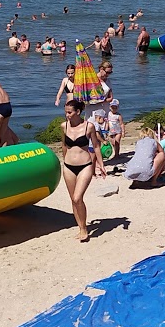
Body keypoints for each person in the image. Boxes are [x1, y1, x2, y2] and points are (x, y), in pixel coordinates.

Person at [59, 100, 103, 241]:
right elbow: (64, 145)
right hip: (68, 167)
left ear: (78, 112)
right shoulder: (64, 126)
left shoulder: (89, 127)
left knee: (78, 198)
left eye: (70, 112)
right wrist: (64, 161)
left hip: (85, 165)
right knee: (73, 200)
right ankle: (81, 228)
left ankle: (84, 230)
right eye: (66, 112)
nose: (67, 115)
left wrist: (101, 165)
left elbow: (96, 146)